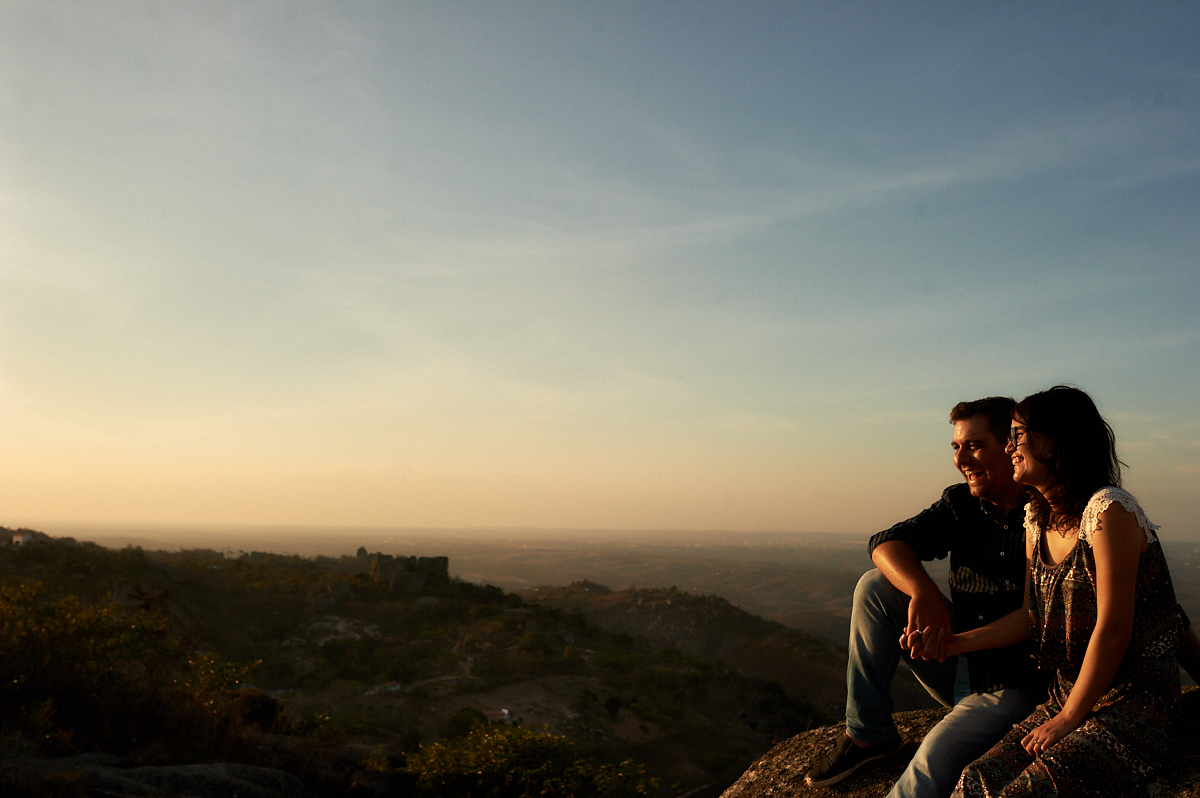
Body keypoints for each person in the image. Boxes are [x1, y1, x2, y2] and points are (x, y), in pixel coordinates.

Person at [805, 397, 1046, 797]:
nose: (961, 458)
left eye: (974, 445)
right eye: (956, 447)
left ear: (1011, 446)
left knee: (930, 763)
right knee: (875, 586)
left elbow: (1034, 619)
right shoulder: (962, 504)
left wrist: (951, 643)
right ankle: (870, 736)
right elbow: (885, 543)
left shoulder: (1046, 511)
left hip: (1013, 683)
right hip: (957, 664)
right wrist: (923, 591)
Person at [948, 386, 1182, 798]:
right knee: (975, 780)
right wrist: (951, 645)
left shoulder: (1108, 511)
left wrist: (1068, 718)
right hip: (1066, 698)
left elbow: (1114, 629)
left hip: (1129, 709)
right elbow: (1029, 616)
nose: (1009, 448)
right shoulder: (1036, 519)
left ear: (1054, 439)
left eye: (1017, 435)